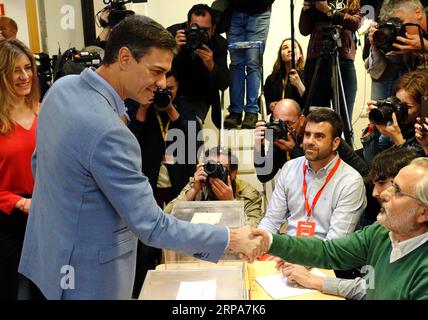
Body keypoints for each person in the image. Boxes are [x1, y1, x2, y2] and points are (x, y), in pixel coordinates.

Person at [17, 15, 264, 300]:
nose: (161, 84)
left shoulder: (61, 89)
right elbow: (152, 225)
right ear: (124, 57)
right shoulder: (111, 132)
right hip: (87, 280)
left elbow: (39, 166)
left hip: (44, 262)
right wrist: (230, 239)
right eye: (155, 71)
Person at [256, 157, 428, 300]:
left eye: (397, 191)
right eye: (391, 186)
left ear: (425, 213)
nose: (382, 194)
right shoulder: (382, 232)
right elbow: (328, 251)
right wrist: (267, 240)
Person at [126, 68, 203, 298]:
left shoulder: (185, 108)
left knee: (178, 238)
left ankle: (182, 286)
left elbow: (192, 139)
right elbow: (129, 141)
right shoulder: (137, 104)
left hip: (178, 183)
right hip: (148, 185)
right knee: (146, 242)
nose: (165, 93)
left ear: (177, 88)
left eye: (170, 89)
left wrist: (170, 108)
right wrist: (143, 108)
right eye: (161, 89)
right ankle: (144, 290)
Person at [258, 108, 367, 239]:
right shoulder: (290, 168)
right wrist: (257, 242)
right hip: (288, 251)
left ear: (335, 143)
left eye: (319, 136)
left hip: (325, 255)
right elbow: (271, 220)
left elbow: (336, 244)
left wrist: (294, 257)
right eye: (307, 134)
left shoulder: (351, 182)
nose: (310, 141)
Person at [0, 39, 39, 300]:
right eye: (16, 70)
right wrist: (19, 203)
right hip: (7, 220)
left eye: (28, 68)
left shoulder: (44, 111)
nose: (24, 76)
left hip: (45, 214)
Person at [254, 99, 369, 183]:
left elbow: (364, 173)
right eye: (278, 123)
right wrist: (259, 147)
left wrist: (294, 150)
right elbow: (264, 176)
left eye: (288, 123)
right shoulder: (280, 138)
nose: (284, 128)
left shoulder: (323, 136)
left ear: (302, 120)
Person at [165, 147, 264, 228]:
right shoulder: (199, 184)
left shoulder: (248, 193)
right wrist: (193, 191)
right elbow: (165, 219)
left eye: (221, 167)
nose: (214, 172)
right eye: (211, 166)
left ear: (234, 173)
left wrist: (231, 204)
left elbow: (253, 232)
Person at [167, 4, 229, 129]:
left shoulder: (219, 44)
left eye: (205, 30)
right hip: (173, 93)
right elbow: (156, 69)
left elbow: (224, 84)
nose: (200, 34)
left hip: (200, 96)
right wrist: (173, 52)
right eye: (195, 28)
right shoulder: (171, 34)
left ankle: (191, 148)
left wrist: (211, 65)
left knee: (191, 128)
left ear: (213, 28)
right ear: (187, 24)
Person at [299, 0, 362, 122]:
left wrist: (328, 11)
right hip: (316, 58)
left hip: (343, 59)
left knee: (344, 118)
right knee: (318, 117)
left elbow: (355, 23)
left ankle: (345, 141)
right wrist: (306, 8)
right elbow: (304, 30)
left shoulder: (353, 2)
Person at [361, 70, 428, 163]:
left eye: (407, 107)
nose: (399, 109)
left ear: (424, 108)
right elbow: (372, 164)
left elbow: (414, 173)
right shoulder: (396, 125)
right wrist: (373, 127)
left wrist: (398, 139)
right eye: (397, 102)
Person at [224, 0, 276, 129]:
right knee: (236, 64)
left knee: (253, 63)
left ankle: (251, 112)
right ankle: (235, 111)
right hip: (235, 11)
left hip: (260, 11)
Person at [263, 38, 306, 114]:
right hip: (278, 121)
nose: (290, 50)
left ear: (300, 54)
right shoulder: (272, 78)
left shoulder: (307, 75)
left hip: (299, 121)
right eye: (285, 48)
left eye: (294, 47)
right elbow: (261, 102)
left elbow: (312, 102)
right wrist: (269, 105)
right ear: (281, 55)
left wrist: (299, 84)